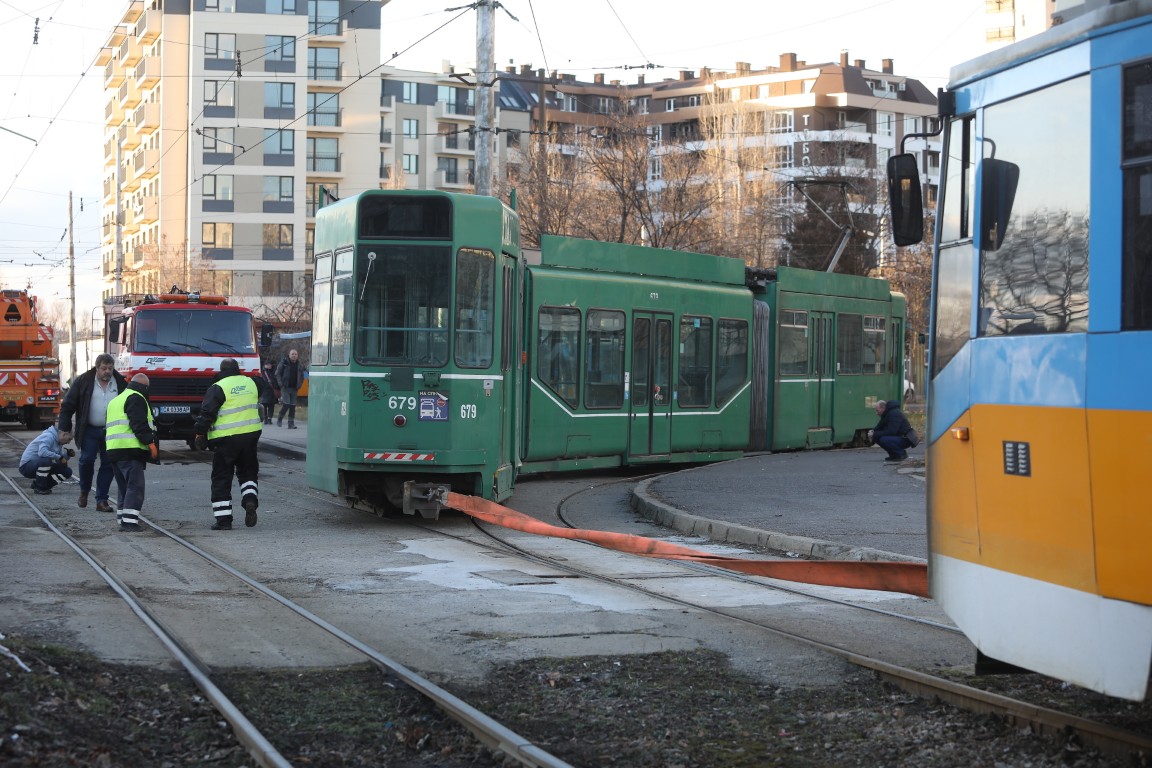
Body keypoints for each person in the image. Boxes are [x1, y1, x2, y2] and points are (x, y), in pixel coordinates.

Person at [194, 358, 266, 530]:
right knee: (248, 473)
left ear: (221, 370)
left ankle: (224, 520)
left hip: (226, 440)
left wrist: (199, 432)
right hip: (250, 436)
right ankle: (250, 501)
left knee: (222, 478)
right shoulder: (252, 383)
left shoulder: (218, 387)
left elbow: (207, 413)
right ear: (237, 369)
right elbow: (263, 384)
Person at [57, 353, 128, 512]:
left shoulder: (120, 383)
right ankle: (84, 490)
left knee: (108, 464)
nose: (107, 372)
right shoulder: (83, 381)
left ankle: (102, 500)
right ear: (97, 368)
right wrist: (64, 429)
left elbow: (129, 404)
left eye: (110, 368)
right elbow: (68, 406)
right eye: (104, 368)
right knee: (86, 460)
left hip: (112, 431)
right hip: (89, 429)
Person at [105, 373, 160, 532]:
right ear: (144, 387)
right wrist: (151, 444)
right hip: (130, 450)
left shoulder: (116, 400)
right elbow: (139, 424)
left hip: (114, 449)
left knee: (124, 487)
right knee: (135, 487)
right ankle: (129, 523)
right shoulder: (136, 398)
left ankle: (123, 518)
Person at [19, 425, 75, 494]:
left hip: (41, 465)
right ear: (63, 434)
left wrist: (67, 455)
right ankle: (40, 487)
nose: (68, 442)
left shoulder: (59, 443)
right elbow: (42, 452)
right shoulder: (48, 436)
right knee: (46, 461)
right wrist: (59, 457)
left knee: (67, 471)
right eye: (69, 439)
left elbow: (59, 461)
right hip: (26, 467)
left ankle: (43, 486)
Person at [274, 348, 306, 429]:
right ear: (289, 355)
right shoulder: (284, 363)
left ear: (297, 355)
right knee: (286, 404)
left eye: (295, 354)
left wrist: (300, 385)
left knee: (292, 406)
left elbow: (302, 376)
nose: (294, 355)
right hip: (285, 387)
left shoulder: (299, 365)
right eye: (292, 354)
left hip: (294, 388)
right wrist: (281, 384)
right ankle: (280, 418)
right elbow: (277, 374)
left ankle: (291, 423)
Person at [258, 359, 279, 425]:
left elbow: (276, 380)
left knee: (271, 406)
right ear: (265, 365)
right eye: (268, 365)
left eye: (270, 365)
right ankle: (265, 418)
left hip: (272, 391)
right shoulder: (262, 373)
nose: (269, 366)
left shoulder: (274, 372)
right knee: (264, 405)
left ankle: (269, 418)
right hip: (265, 391)